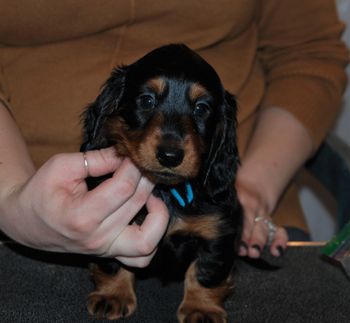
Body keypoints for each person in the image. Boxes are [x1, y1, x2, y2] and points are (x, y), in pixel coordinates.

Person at [0, 1, 348, 265]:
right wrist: (12, 197)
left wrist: (253, 186)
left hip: (233, 191)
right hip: (25, 192)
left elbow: (309, 54)